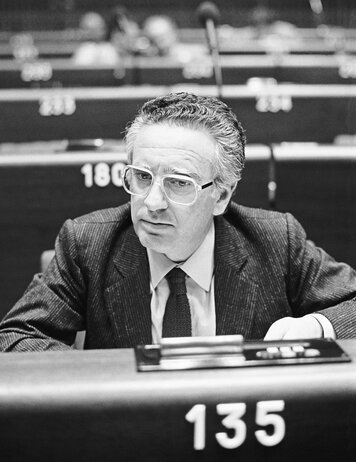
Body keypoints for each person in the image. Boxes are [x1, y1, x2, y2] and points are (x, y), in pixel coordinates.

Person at [0, 91, 356, 351]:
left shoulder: (276, 240)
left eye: (178, 183)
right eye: (142, 177)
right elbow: (17, 336)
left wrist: (319, 325)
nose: (152, 202)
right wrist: (101, 377)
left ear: (221, 195)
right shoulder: (87, 243)